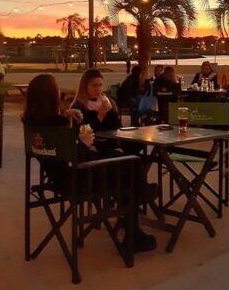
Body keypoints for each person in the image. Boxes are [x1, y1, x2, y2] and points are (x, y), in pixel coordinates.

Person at [23, 73, 157, 252]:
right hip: (79, 180)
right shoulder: (59, 125)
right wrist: (84, 141)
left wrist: (67, 116)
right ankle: (134, 231)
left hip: (57, 180)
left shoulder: (32, 124)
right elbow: (81, 153)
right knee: (130, 166)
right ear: (52, 96)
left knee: (124, 168)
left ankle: (134, 212)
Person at [71, 68, 121, 133]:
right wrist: (100, 116)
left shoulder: (109, 101)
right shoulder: (78, 106)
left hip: (112, 140)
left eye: (100, 85)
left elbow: (118, 127)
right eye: (94, 85)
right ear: (85, 86)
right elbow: (80, 132)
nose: (98, 89)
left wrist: (112, 112)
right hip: (93, 141)